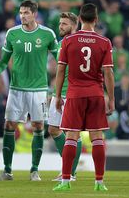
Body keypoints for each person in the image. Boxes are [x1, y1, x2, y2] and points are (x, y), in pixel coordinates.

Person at [53, 3, 114, 191]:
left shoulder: (69, 41)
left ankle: (65, 182)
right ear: (96, 19)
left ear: (79, 19)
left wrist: (57, 96)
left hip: (74, 94)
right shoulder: (104, 42)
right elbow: (108, 73)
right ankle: (99, 182)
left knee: (71, 136)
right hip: (95, 94)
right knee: (97, 137)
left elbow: (61, 69)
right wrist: (110, 98)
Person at [0, 0, 58, 181]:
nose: (22, 16)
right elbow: (3, 62)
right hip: (16, 89)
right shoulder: (12, 33)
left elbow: (60, 58)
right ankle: (7, 170)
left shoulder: (47, 34)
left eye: (26, 13)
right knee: (9, 125)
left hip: (39, 89)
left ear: (34, 14)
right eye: (20, 13)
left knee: (39, 126)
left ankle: (34, 170)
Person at [48, 12, 82, 181]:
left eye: (64, 24)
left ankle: (70, 172)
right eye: (60, 23)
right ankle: (68, 167)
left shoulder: (79, 42)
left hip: (72, 93)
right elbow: (60, 71)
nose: (60, 26)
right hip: (59, 93)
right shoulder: (62, 43)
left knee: (72, 133)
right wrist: (55, 93)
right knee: (53, 129)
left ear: (74, 25)